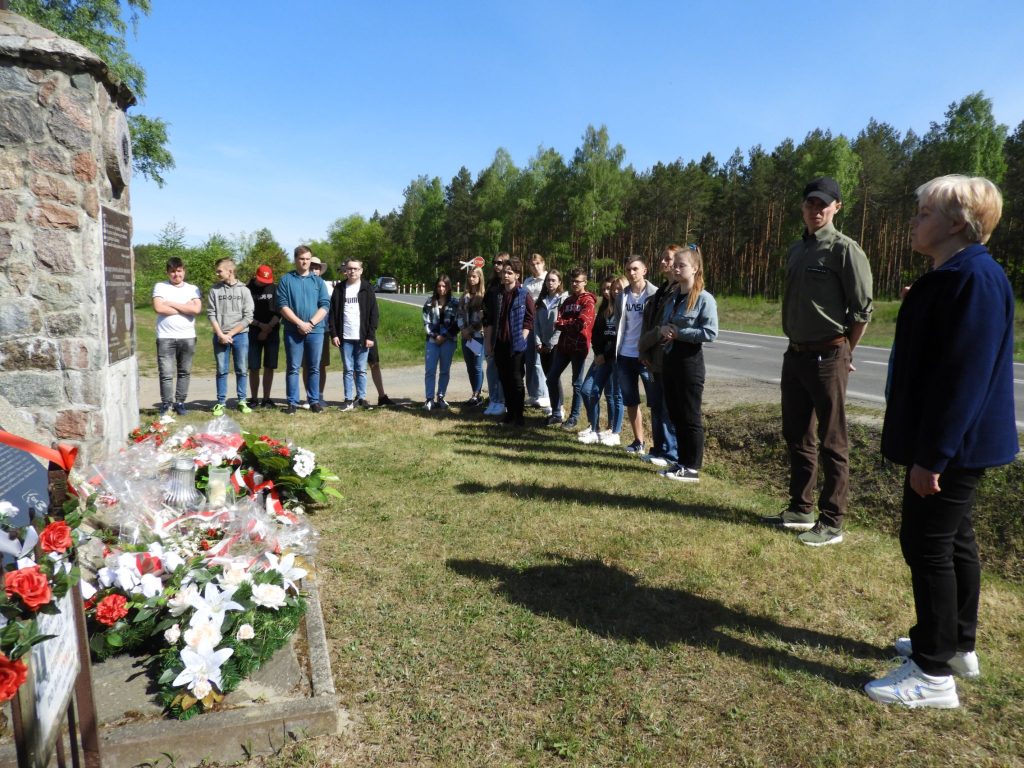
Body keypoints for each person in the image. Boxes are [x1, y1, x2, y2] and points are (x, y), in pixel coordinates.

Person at [864, 175, 1017, 709]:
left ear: (957, 223)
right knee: (953, 541)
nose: (913, 221)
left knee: (927, 544)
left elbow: (963, 379)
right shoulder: (956, 275)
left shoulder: (974, 278)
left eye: (924, 213)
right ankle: (956, 645)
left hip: (954, 447)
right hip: (956, 443)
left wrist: (933, 457)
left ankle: (932, 674)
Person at [761, 177, 873, 546]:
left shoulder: (845, 250)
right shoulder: (797, 249)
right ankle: (800, 509)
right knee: (797, 435)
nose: (816, 210)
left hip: (829, 355)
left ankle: (832, 521)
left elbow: (862, 311)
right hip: (795, 354)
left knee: (832, 440)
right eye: (810, 203)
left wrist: (846, 352)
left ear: (837, 207)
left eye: (823, 204)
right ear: (803, 207)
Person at [655, 246, 718, 482]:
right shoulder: (673, 297)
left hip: (690, 363)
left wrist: (679, 333)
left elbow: (710, 332)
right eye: (675, 265)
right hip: (670, 360)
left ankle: (692, 467)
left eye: (681, 265)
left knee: (690, 415)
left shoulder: (704, 298)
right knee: (675, 414)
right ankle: (681, 462)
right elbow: (664, 323)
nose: (676, 269)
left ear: (695, 268)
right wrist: (663, 330)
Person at [638, 246, 681, 468]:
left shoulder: (680, 293)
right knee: (655, 405)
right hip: (652, 358)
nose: (663, 262)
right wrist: (643, 350)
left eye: (668, 259)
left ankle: (671, 453)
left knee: (667, 408)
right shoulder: (660, 292)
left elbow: (666, 328)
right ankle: (658, 449)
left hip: (668, 358)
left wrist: (651, 338)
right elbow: (648, 324)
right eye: (662, 258)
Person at [276, 245, 330, 414]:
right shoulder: (286, 280)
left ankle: (314, 401)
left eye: (307, 259)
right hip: (293, 331)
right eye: (301, 259)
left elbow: (325, 305)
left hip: (316, 331)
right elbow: (282, 305)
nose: (305, 262)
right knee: (293, 367)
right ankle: (292, 403)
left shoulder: (318, 281)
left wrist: (310, 323)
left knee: (314, 367)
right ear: (295, 260)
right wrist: (299, 323)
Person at [615, 257, 660, 455]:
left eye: (635, 269)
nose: (631, 273)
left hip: (646, 357)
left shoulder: (655, 294)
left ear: (645, 270)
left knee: (655, 402)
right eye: (628, 270)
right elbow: (619, 324)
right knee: (631, 401)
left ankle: (660, 446)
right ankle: (638, 441)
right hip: (625, 355)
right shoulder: (622, 296)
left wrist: (650, 352)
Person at [545, 268, 595, 428]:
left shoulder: (588, 301)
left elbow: (581, 323)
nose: (574, 284)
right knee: (551, 378)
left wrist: (565, 324)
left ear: (585, 282)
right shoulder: (567, 301)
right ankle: (556, 413)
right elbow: (558, 321)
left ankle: (574, 417)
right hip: (564, 346)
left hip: (579, 347)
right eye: (572, 281)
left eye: (578, 281)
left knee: (577, 383)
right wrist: (567, 324)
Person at [578, 276, 626, 445]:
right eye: (607, 289)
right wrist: (599, 353)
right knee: (588, 390)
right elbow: (596, 334)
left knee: (614, 395)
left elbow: (620, 337)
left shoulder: (625, 309)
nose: (609, 292)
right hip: (601, 357)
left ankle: (613, 430)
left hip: (615, 358)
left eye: (614, 288)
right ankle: (594, 427)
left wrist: (605, 356)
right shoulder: (604, 308)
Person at [152, 257, 201, 416]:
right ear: (168, 272)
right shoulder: (160, 286)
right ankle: (166, 404)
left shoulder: (192, 289)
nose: (176, 274)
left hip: (187, 337)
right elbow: (159, 308)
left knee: (184, 372)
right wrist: (186, 308)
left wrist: (171, 303)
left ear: (184, 271)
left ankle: (180, 403)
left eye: (179, 271)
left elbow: (196, 310)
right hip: (165, 337)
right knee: (166, 373)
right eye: (172, 271)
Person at [207, 257, 254, 416]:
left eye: (219, 271)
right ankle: (221, 402)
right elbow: (211, 313)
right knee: (221, 370)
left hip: (240, 336)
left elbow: (248, 317)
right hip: (220, 336)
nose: (217, 274)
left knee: (242, 369)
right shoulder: (214, 290)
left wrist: (231, 334)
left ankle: (242, 401)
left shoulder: (244, 290)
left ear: (230, 271)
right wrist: (220, 334)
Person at [491, 257, 535, 426]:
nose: (506, 275)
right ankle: (509, 414)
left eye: (509, 272)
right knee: (504, 379)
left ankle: (519, 416)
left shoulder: (523, 294)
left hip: (516, 343)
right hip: (500, 342)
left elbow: (529, 318)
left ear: (517, 275)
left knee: (516, 380)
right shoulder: (498, 294)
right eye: (504, 272)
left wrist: (523, 336)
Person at [329, 259, 378, 411]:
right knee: (348, 369)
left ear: (361, 271)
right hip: (345, 337)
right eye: (349, 268)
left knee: (361, 369)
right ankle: (348, 399)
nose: (352, 271)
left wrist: (370, 336)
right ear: (346, 271)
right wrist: (334, 334)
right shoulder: (339, 288)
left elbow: (374, 314)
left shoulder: (367, 288)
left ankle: (361, 398)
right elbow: (332, 314)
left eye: (355, 269)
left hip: (362, 337)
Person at [422, 274, 459, 411]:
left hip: (448, 340)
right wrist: (435, 335)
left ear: (449, 287)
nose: (441, 288)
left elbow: (457, 323)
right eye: (439, 286)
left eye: (444, 286)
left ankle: (441, 397)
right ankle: (429, 399)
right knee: (430, 370)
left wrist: (444, 336)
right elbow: (426, 322)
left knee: (444, 370)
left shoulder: (455, 303)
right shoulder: (429, 302)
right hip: (432, 341)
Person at [247, 264, 280, 408]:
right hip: (253, 331)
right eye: (262, 280)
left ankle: (266, 399)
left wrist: (267, 328)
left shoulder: (275, 288)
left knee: (269, 366)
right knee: (254, 366)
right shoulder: (247, 289)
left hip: (272, 330)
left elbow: (279, 311)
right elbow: (245, 313)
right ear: (256, 276)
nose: (265, 283)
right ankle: (254, 399)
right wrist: (260, 326)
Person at [522, 252, 551, 412]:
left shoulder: (548, 279)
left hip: (543, 323)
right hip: (528, 323)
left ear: (543, 263)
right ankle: (533, 393)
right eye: (532, 264)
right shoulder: (527, 281)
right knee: (530, 360)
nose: (535, 267)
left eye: (538, 263)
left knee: (539, 360)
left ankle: (544, 394)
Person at [303, 256, 332, 406]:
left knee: (320, 364)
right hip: (303, 329)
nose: (314, 270)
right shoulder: (301, 283)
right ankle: (309, 396)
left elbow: (332, 310)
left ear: (320, 270)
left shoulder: (328, 286)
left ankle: (319, 395)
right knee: (306, 365)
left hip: (322, 330)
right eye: (312, 267)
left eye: (317, 268)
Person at [482, 254, 508, 416]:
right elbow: (486, 310)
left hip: (504, 333)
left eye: (500, 263)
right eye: (494, 263)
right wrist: (486, 335)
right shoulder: (491, 285)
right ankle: (493, 399)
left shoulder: (509, 285)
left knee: (503, 369)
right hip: (491, 330)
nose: (496, 265)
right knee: (491, 367)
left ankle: (502, 401)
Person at [458, 265, 486, 407]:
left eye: (474, 276)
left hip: (478, 337)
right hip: (465, 337)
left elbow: (483, 318)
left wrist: (470, 330)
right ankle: (474, 393)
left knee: (477, 366)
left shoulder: (483, 296)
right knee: (469, 366)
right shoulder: (464, 296)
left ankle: (477, 394)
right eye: (469, 276)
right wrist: (463, 330)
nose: (471, 279)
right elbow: (459, 315)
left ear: (480, 278)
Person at [534, 269, 566, 394]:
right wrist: (538, 342)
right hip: (542, 345)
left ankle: (559, 404)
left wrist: (551, 344)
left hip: (556, 345)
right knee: (548, 376)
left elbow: (561, 324)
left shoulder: (563, 299)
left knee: (554, 377)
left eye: (553, 280)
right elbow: (536, 323)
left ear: (559, 282)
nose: (550, 283)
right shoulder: (541, 300)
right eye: (548, 280)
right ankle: (553, 403)